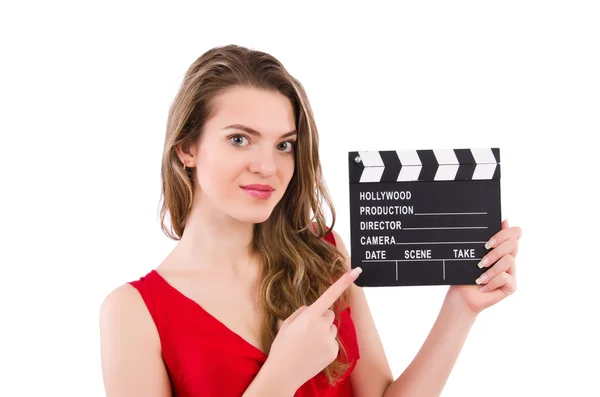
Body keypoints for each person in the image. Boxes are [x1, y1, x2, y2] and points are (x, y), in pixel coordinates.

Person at [99, 44, 522, 397]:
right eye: (239, 139)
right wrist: (281, 377)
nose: (267, 166)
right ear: (187, 149)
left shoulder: (324, 255)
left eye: (284, 145)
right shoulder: (133, 312)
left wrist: (461, 308)